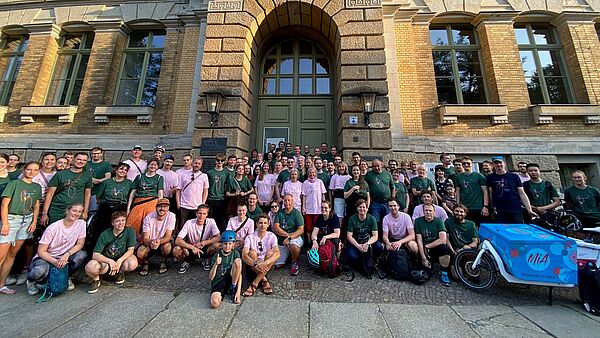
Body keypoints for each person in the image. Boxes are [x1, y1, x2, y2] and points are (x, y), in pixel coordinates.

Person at [26, 204, 87, 295]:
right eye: (74, 211)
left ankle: (66, 276)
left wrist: (67, 254)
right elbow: (41, 251)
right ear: (67, 211)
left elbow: (80, 244)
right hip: (47, 256)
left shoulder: (81, 224)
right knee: (40, 270)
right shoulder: (53, 228)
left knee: (82, 255)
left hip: (64, 255)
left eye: (79, 211)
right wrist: (54, 261)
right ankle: (31, 281)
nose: (77, 214)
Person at [0, 161, 42, 295]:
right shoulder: (14, 184)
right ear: (24, 169)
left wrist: (34, 221)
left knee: (12, 254)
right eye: (29, 169)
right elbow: (4, 205)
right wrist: (5, 223)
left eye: (35, 170)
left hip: (26, 220)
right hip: (12, 219)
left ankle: (2, 284)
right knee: (1, 254)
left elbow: (36, 205)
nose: (32, 172)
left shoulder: (37, 186)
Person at [85, 211, 138, 294]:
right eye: (117, 221)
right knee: (90, 267)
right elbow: (95, 255)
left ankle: (119, 273)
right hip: (106, 261)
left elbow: (130, 250)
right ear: (112, 223)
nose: (121, 223)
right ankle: (96, 280)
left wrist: (119, 261)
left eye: (123, 220)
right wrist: (110, 261)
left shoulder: (130, 231)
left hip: (120, 259)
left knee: (132, 263)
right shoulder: (105, 234)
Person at [41, 152, 93, 225]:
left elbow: (87, 194)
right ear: (73, 160)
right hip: (57, 209)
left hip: (76, 211)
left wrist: (85, 211)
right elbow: (50, 194)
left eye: (84, 160)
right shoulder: (60, 174)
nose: (81, 162)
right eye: (79, 159)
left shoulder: (87, 176)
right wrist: (44, 213)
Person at [93, 162, 132, 247]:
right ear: (116, 170)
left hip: (121, 208)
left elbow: (130, 197)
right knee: (102, 229)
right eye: (121, 169)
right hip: (106, 208)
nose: (123, 171)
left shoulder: (129, 183)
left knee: (118, 229)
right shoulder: (107, 182)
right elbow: (98, 196)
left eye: (125, 170)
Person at [486, 156, 536, 223]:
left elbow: (522, 193)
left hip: (515, 208)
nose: (498, 165)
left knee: (518, 229)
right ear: (493, 165)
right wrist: (492, 208)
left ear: (504, 163)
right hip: (499, 209)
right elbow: (490, 193)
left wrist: (529, 209)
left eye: (500, 162)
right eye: (496, 163)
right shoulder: (490, 177)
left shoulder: (514, 176)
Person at [173, 204, 220, 273]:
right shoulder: (189, 223)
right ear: (196, 213)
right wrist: (192, 247)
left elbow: (218, 237)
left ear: (207, 214)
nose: (201, 216)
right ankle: (187, 261)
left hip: (204, 246)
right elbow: (177, 240)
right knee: (176, 250)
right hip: (192, 247)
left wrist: (203, 243)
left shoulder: (211, 221)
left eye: (204, 214)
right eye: (199, 213)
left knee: (218, 245)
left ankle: (205, 258)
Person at [242, 214, 280, 297]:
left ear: (268, 224)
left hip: (266, 267)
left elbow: (277, 253)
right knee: (252, 252)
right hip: (253, 268)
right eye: (260, 223)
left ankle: (255, 283)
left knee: (271, 253)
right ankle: (264, 280)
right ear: (256, 224)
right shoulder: (250, 237)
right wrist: (256, 264)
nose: (263, 225)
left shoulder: (272, 236)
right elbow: (244, 255)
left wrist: (265, 262)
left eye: (265, 223)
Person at [344, 199, 383, 278]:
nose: (362, 209)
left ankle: (373, 262)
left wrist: (367, 244)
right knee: (352, 256)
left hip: (368, 242)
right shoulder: (352, 219)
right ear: (357, 208)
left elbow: (375, 236)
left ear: (367, 208)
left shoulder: (372, 219)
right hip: (356, 243)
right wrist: (358, 246)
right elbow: (349, 236)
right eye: (360, 207)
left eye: (364, 207)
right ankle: (359, 263)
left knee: (379, 247)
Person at [415, 204, 452, 287]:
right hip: (424, 249)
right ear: (423, 212)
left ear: (434, 212)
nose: (428, 212)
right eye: (426, 210)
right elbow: (419, 240)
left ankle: (444, 272)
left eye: (430, 210)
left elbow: (443, 239)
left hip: (435, 246)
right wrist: (424, 258)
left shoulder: (438, 221)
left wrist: (428, 246)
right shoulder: (418, 221)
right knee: (424, 275)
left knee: (445, 249)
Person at [137, 198, 175, 276]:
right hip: (150, 241)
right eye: (160, 206)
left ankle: (163, 261)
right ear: (156, 207)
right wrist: (152, 242)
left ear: (168, 208)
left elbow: (168, 236)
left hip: (162, 241)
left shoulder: (171, 216)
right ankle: (145, 263)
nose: (162, 209)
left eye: (165, 206)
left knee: (167, 247)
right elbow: (145, 238)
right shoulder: (148, 218)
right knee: (140, 253)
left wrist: (159, 242)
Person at [126, 159, 164, 237]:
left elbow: (160, 194)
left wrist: (160, 207)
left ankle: (146, 244)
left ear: (157, 167)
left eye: (155, 165)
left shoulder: (159, 178)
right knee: (131, 223)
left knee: (149, 225)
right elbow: (132, 193)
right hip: (139, 202)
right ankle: (131, 243)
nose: (153, 166)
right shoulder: (139, 176)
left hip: (152, 202)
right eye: (151, 164)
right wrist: (128, 208)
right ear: (148, 165)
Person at [272, 194, 304, 275]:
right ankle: (289, 255)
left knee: (293, 245)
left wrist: (290, 237)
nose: (287, 202)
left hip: (295, 237)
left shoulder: (297, 213)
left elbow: (301, 230)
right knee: (278, 265)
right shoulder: (280, 213)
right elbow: (276, 227)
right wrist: (287, 235)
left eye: (288, 200)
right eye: (285, 200)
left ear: (292, 201)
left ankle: (295, 261)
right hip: (283, 239)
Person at [209, 230, 242, 307]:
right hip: (219, 282)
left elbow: (239, 274)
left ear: (233, 244)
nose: (227, 246)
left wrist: (238, 292)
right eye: (225, 244)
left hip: (232, 280)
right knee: (214, 303)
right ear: (221, 244)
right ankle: (222, 294)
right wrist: (216, 265)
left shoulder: (235, 253)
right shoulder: (217, 254)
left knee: (238, 262)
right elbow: (211, 277)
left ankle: (233, 289)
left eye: (230, 244)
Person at [455, 156, 489, 226]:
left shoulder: (479, 176)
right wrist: (458, 204)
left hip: (478, 207)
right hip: (465, 207)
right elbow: (457, 191)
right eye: (464, 163)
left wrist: (485, 206)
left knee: (480, 227)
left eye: (468, 163)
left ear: (472, 164)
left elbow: (485, 191)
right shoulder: (458, 177)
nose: (466, 165)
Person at [176, 157, 209, 226]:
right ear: (192, 163)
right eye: (195, 163)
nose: (197, 165)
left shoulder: (204, 176)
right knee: (182, 226)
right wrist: (178, 204)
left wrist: (202, 203)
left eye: (199, 164)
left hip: (196, 206)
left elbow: (205, 191)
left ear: (201, 165)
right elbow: (178, 190)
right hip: (184, 205)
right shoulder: (184, 175)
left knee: (194, 226)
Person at [301, 168, 327, 237]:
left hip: (318, 208)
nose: (311, 174)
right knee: (308, 227)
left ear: (315, 173)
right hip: (309, 208)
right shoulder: (305, 183)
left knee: (317, 227)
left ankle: (316, 243)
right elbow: (304, 196)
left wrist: (323, 205)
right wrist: (303, 207)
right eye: (310, 172)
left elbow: (323, 194)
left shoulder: (320, 182)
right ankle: (309, 244)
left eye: (313, 172)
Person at [86, 147, 112, 213]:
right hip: (86, 190)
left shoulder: (106, 164)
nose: (96, 155)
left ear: (101, 154)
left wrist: (100, 180)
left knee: (94, 211)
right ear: (91, 154)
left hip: (98, 191)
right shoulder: (87, 164)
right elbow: (82, 174)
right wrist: (91, 179)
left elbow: (108, 177)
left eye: (98, 153)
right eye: (94, 154)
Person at [207, 154, 229, 231]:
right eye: (218, 160)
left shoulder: (226, 172)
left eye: (222, 160)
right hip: (211, 198)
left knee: (220, 219)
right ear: (215, 161)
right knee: (210, 219)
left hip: (221, 198)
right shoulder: (210, 172)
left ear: (224, 162)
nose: (220, 162)